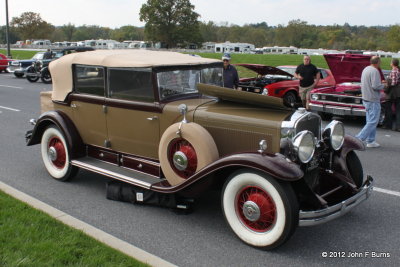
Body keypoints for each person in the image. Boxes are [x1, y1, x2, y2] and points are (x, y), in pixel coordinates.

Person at [355, 56, 387, 148]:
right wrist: (384, 85)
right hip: (373, 99)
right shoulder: (375, 71)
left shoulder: (366, 69)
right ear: (378, 62)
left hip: (366, 98)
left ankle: (371, 140)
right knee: (373, 121)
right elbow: (375, 86)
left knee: (370, 120)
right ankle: (359, 138)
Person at [383, 58, 400, 131]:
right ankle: (398, 127)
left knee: (388, 108)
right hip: (398, 93)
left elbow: (393, 83)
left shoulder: (394, 71)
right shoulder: (398, 70)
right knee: (398, 110)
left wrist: (386, 83)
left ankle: (388, 125)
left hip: (393, 93)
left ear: (392, 63)